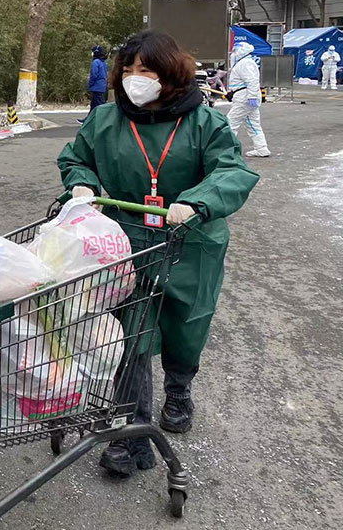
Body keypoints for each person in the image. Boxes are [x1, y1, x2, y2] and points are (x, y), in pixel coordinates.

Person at [59, 32, 259, 478]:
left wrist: (199, 200)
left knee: (185, 325)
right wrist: (81, 183)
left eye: (145, 70)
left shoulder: (205, 123)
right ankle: (132, 437)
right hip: (126, 240)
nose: (135, 79)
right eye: (127, 70)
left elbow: (233, 170)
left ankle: (180, 389)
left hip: (191, 239)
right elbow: (75, 158)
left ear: (169, 73)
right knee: (131, 335)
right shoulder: (105, 120)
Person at [226, 41, 271, 157]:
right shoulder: (245, 63)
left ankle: (227, 150)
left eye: (235, 51)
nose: (233, 53)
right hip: (246, 96)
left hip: (245, 98)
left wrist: (251, 96)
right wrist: (232, 93)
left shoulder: (245, 63)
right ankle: (261, 148)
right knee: (252, 124)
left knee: (231, 122)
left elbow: (252, 81)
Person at [79, 45, 109, 124]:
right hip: (102, 86)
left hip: (96, 87)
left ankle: (108, 120)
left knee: (101, 104)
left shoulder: (95, 62)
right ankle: (88, 120)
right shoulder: (104, 63)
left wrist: (90, 84)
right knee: (93, 105)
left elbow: (94, 75)